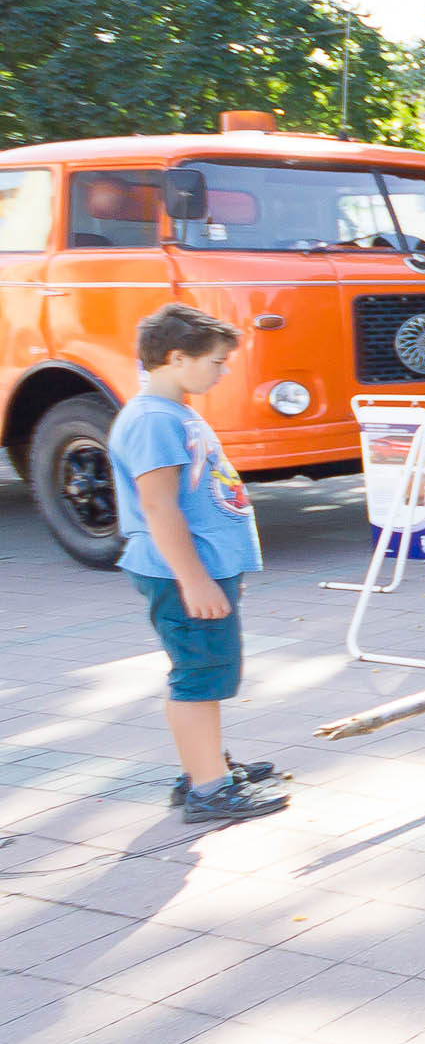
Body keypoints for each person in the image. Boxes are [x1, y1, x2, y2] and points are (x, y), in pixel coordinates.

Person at [112, 303, 289, 825]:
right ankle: (208, 788)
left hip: (201, 569)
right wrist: (195, 580)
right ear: (176, 358)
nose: (223, 371)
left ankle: (205, 765)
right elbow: (158, 506)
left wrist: (219, 574)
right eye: (216, 361)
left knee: (208, 670)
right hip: (182, 573)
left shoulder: (172, 412)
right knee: (200, 674)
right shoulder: (153, 421)